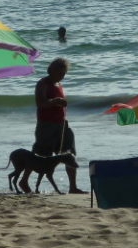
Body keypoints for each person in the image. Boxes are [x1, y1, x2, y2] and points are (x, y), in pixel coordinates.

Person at [32, 58, 85, 193]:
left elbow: (59, 103)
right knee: (42, 156)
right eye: (60, 72)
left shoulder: (59, 84)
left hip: (62, 125)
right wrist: (55, 101)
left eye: (64, 73)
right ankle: (24, 181)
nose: (62, 75)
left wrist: (62, 103)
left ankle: (73, 187)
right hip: (46, 125)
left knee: (69, 154)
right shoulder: (43, 83)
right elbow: (40, 103)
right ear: (52, 70)